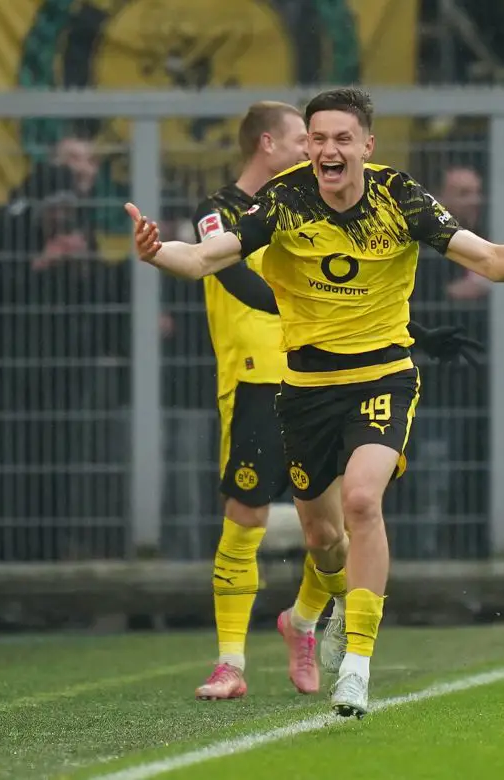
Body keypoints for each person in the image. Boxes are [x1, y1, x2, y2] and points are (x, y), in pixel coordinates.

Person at [125, 87, 504, 717]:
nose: (329, 150)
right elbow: (204, 258)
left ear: (366, 145)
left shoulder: (399, 196)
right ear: (307, 145)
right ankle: (308, 618)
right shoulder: (284, 199)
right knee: (324, 538)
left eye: (342, 139)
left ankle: (355, 665)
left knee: (361, 501)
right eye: (319, 138)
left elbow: (489, 258)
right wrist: (156, 251)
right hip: (303, 388)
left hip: (382, 377)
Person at [191, 101, 335, 700]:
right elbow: (233, 275)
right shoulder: (217, 213)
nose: (312, 149)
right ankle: (230, 663)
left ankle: (301, 622)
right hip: (255, 379)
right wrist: (303, 304)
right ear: (268, 144)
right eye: (303, 138)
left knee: (331, 532)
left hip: (319, 376)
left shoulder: (306, 209)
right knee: (245, 517)